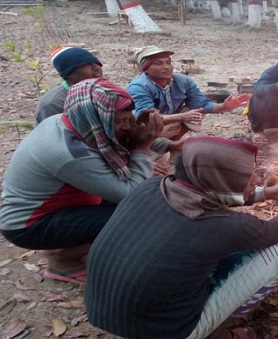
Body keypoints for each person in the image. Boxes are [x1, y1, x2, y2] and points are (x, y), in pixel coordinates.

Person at [85, 136, 278, 339]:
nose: (256, 181)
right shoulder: (223, 225)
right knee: (276, 257)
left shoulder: (154, 186)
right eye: (249, 177)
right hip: (164, 334)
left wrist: (268, 194)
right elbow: (275, 232)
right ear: (222, 182)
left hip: (104, 312)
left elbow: (209, 193)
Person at [0, 78, 161, 284]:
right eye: (120, 121)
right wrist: (142, 148)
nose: (128, 127)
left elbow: (115, 153)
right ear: (95, 118)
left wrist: (141, 133)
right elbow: (132, 193)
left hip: (53, 207)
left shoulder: (69, 121)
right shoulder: (69, 152)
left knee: (138, 202)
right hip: (27, 225)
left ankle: (68, 240)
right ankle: (63, 261)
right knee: (136, 216)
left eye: (130, 118)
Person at [128, 46, 250, 142]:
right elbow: (145, 119)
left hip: (168, 121)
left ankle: (172, 141)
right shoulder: (139, 87)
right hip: (144, 128)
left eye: (168, 62)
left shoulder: (182, 81)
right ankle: (154, 145)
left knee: (197, 110)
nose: (166, 67)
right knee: (150, 134)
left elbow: (201, 103)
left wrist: (224, 106)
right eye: (158, 63)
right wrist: (182, 116)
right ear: (145, 69)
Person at [34, 46, 103, 125]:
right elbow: (54, 135)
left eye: (96, 63)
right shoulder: (53, 104)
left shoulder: (104, 91)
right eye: (87, 64)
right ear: (69, 73)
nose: (97, 68)